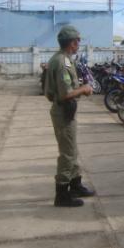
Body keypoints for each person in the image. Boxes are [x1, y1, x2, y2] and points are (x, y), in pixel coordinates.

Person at [45, 25, 95, 207]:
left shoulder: (63, 59)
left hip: (67, 111)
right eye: (78, 41)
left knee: (72, 150)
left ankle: (75, 184)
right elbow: (65, 93)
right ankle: (62, 194)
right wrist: (84, 88)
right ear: (72, 43)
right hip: (63, 111)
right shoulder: (61, 62)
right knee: (67, 154)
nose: (79, 44)